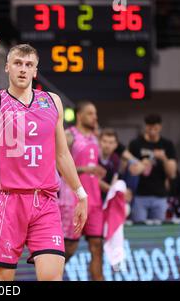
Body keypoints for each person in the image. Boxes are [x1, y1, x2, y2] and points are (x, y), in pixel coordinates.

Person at [0, 23, 88, 281]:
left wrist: (80, 193)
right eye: (17, 63)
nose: (23, 69)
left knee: (51, 276)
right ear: (7, 67)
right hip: (8, 200)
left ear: (35, 70)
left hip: (45, 201)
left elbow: (62, 155)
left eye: (28, 65)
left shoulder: (52, 101)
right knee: (1, 281)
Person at [58, 101, 106, 281]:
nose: (95, 117)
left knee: (97, 246)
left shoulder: (96, 137)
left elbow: (94, 173)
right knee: (69, 248)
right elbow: (57, 165)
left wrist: (110, 188)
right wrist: (85, 169)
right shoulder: (69, 136)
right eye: (90, 113)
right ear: (79, 115)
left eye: (95, 114)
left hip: (94, 200)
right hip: (72, 200)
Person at [128, 114, 178, 223]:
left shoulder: (167, 144)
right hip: (140, 195)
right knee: (139, 230)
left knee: (158, 231)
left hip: (160, 196)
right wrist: (142, 164)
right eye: (150, 128)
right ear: (145, 127)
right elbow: (130, 170)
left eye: (155, 128)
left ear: (160, 127)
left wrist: (163, 158)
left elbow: (172, 173)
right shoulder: (136, 144)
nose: (152, 132)